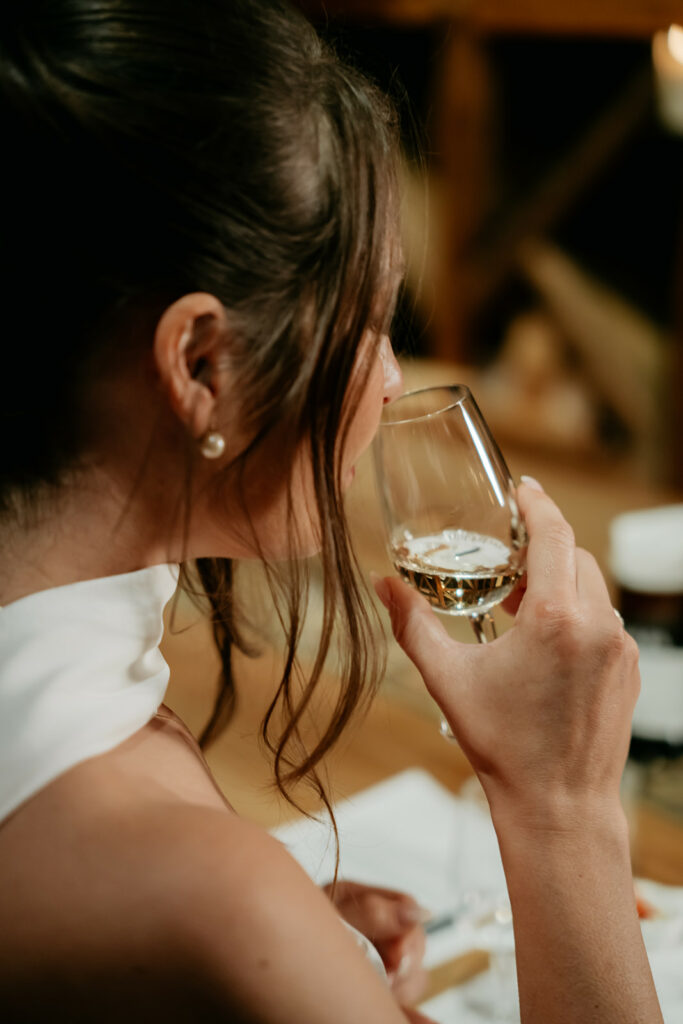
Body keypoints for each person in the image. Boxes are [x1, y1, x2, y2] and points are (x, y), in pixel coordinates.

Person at [0, 1, 663, 1022]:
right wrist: (561, 807)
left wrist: (302, 939)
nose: (392, 380)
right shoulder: (214, 901)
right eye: (369, 321)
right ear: (200, 363)